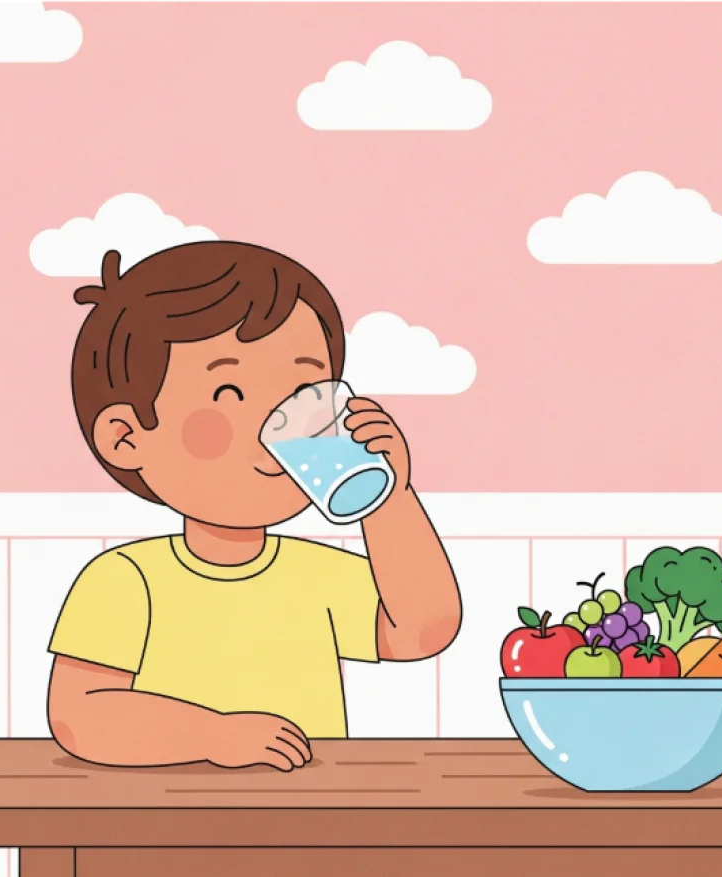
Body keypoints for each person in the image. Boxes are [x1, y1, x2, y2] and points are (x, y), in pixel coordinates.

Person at [46, 241, 462, 770]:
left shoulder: (313, 574)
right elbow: (78, 715)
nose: (280, 420)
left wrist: (391, 500)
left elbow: (422, 630)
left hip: (305, 827)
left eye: (305, 390)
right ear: (127, 437)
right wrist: (210, 738)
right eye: (230, 391)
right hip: (160, 833)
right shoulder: (126, 580)